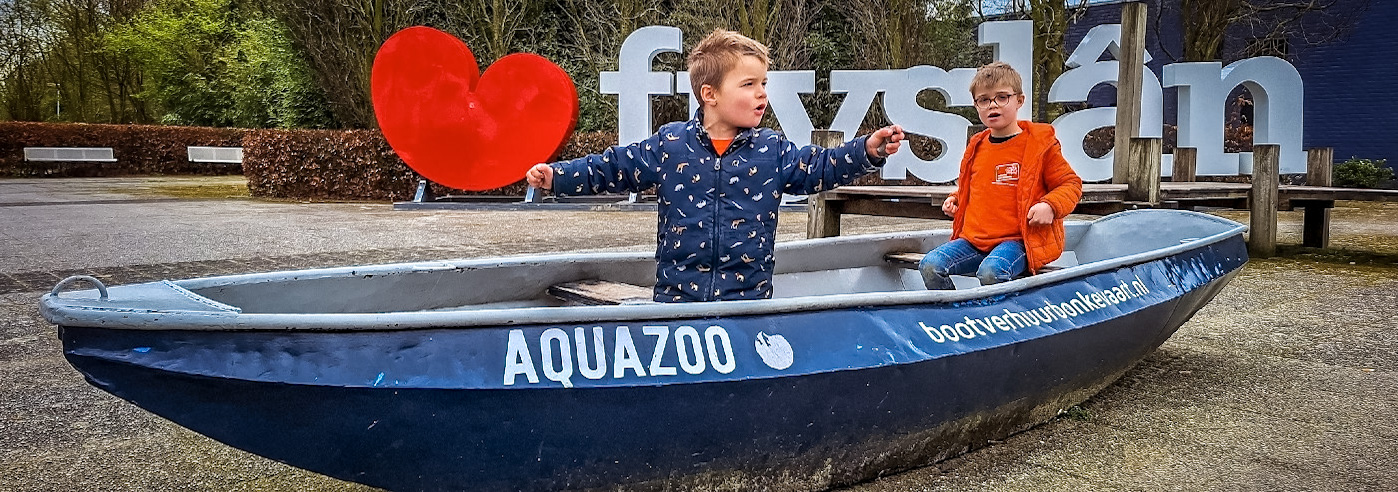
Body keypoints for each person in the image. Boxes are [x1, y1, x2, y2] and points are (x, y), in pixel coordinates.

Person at [526, 29, 905, 302]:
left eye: (764, 83)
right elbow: (611, 167)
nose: (762, 94)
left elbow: (820, 167)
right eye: (749, 84)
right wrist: (556, 176)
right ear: (710, 94)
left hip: (747, 303)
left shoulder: (771, 149)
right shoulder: (671, 144)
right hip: (677, 302)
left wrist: (866, 150)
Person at [919, 61, 1083, 290]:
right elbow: (978, 186)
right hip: (973, 241)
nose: (992, 105)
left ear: (1019, 101)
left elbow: (1071, 184)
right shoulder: (976, 145)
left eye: (1002, 97)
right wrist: (956, 199)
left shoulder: (1039, 144)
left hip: (1017, 241)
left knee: (991, 273)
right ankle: (955, 316)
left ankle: (998, 317)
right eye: (984, 100)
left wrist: (1050, 206)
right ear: (976, 105)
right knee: (930, 265)